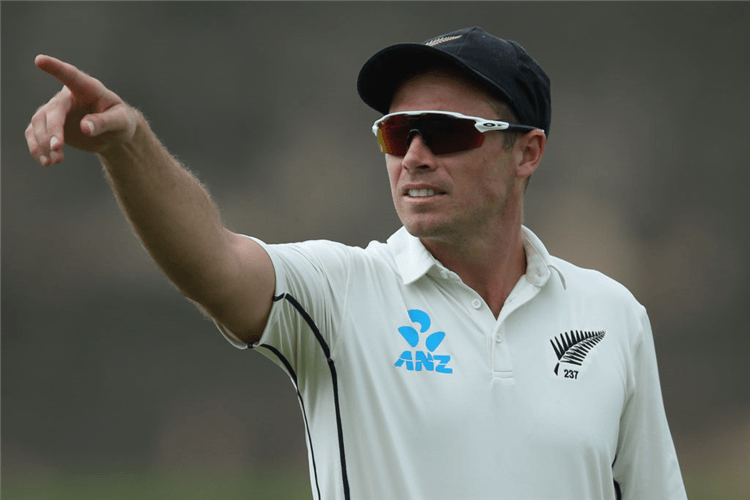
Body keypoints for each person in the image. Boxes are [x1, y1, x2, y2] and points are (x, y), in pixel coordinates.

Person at [25, 26, 687, 500]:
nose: (416, 156)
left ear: (527, 153)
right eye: (398, 133)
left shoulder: (611, 315)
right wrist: (129, 144)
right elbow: (213, 260)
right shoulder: (342, 292)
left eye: (448, 132)